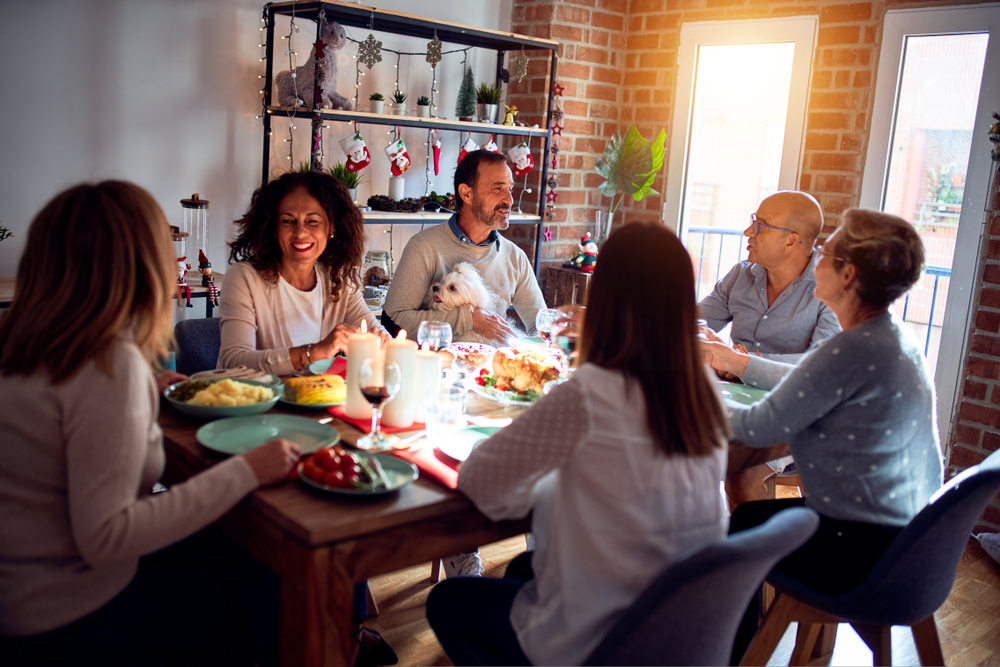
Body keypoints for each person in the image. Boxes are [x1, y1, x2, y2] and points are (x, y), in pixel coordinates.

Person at [0, 181, 301, 666]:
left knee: (251, 551)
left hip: (20, 590)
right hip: (61, 618)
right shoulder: (106, 365)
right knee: (264, 575)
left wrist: (140, 389)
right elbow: (108, 535)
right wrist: (247, 469)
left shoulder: (26, 340)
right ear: (141, 268)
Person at [426, 223, 730, 666]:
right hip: (684, 628)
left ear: (602, 297)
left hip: (605, 642)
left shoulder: (593, 391)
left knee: (449, 601)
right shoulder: (703, 387)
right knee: (520, 570)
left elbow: (481, 482)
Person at [702, 209, 944, 660]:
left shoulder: (849, 350)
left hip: (858, 550)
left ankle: (726, 656)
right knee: (751, 514)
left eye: (825, 253)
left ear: (848, 274)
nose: (817, 261)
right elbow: (804, 389)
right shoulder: (890, 338)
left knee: (737, 537)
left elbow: (757, 428)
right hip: (906, 541)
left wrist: (682, 403)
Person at [699, 191, 841, 504]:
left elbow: (819, 367)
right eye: (753, 222)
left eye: (760, 226)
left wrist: (742, 363)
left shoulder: (831, 288)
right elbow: (692, 321)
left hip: (797, 412)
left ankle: (780, 538)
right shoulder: (741, 275)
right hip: (734, 402)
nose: (749, 232)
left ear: (791, 242)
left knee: (743, 481)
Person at [219, 170, 387, 375]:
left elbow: (376, 333)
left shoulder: (338, 279)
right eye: (288, 221)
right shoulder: (244, 278)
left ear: (332, 227)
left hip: (319, 402)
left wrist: (383, 343)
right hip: (260, 404)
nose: (300, 233)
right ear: (273, 227)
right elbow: (233, 361)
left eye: (312, 221)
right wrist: (313, 352)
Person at [382, 150, 546, 345]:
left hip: (492, 372)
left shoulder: (515, 257)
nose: (509, 199)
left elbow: (541, 328)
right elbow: (392, 322)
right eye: (497, 188)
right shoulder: (424, 247)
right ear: (466, 193)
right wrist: (469, 319)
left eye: (510, 188)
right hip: (436, 369)